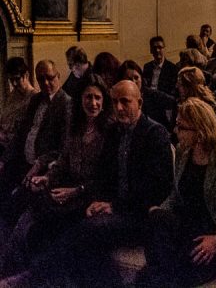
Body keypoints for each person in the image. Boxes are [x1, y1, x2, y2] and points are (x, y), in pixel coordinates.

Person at [32, 80, 173, 287]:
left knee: (85, 233)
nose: (118, 108)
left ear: (140, 102)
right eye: (115, 102)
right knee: (51, 221)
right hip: (113, 206)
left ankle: (37, 277)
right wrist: (97, 200)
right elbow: (104, 175)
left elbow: (155, 188)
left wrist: (113, 205)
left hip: (139, 214)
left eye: (125, 102)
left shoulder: (155, 134)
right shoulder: (115, 132)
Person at [0, 74, 109, 277]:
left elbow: (106, 177)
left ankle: (27, 277)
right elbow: (63, 161)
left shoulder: (109, 132)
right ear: (81, 100)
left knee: (46, 224)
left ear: (103, 101)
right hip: (67, 189)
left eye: (97, 98)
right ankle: (12, 268)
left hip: (90, 194)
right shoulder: (76, 128)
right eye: (88, 97)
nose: (93, 103)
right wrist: (48, 177)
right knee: (25, 207)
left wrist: (76, 191)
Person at [141, 99, 216, 287]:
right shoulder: (183, 152)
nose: (175, 131)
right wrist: (160, 209)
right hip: (187, 230)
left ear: (200, 131)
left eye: (181, 127)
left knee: (162, 278)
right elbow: (177, 195)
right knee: (154, 222)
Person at [0, 60, 71, 200]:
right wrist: (3, 160)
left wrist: (40, 163)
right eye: (41, 79)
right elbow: (21, 134)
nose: (45, 83)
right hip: (23, 162)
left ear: (58, 76)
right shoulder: (36, 99)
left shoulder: (66, 104)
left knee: (14, 201)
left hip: (43, 169)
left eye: (50, 78)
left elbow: (64, 147)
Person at [0, 58, 37, 155]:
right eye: (11, 80)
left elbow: (24, 134)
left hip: (14, 150)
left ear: (26, 75)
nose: (14, 84)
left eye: (17, 79)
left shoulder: (34, 98)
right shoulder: (13, 95)